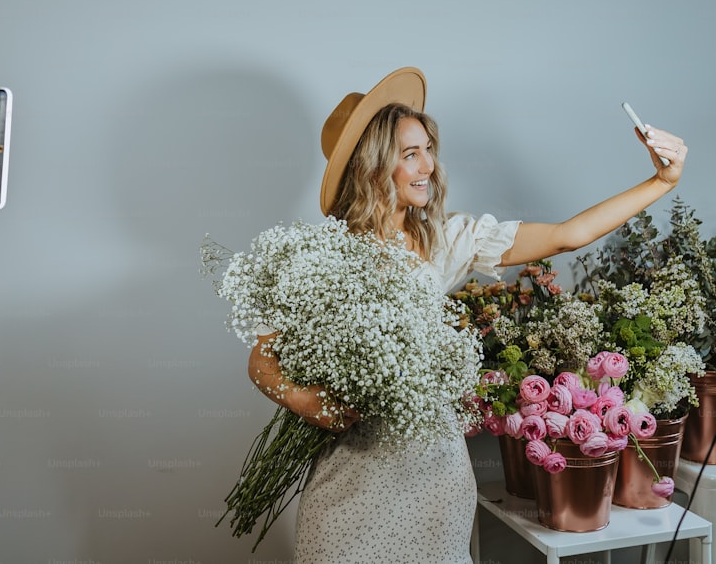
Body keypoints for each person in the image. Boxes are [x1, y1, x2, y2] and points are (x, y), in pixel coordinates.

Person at [246, 67, 688, 563]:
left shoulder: (447, 239)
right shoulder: (315, 257)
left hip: (435, 479)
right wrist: (313, 405)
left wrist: (662, 181)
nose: (428, 165)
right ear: (371, 167)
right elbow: (263, 361)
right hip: (350, 478)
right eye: (410, 154)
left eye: (428, 149)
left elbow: (569, 234)